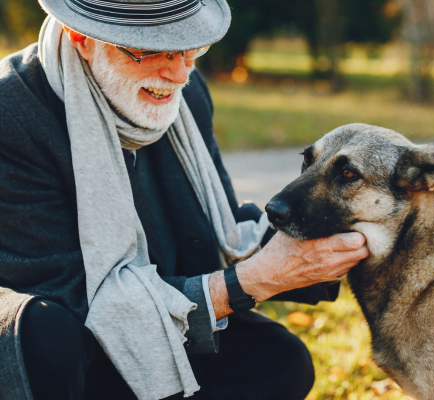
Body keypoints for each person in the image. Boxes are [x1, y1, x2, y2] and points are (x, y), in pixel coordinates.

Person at [0, 0, 370, 399]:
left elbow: (218, 231)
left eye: (187, 48)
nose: (179, 73)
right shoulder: (12, 112)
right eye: (151, 50)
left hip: (157, 317)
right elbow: (75, 301)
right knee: (43, 332)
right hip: (65, 346)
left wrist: (332, 238)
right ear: (82, 38)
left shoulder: (186, 96)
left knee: (281, 361)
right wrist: (257, 279)